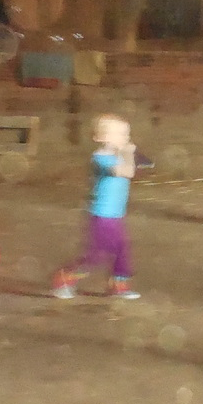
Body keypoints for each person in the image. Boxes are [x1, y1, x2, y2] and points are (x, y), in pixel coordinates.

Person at [51, 114, 139, 300]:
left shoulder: (118, 156)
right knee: (98, 254)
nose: (125, 137)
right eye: (119, 134)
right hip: (102, 215)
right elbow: (126, 172)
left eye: (126, 133)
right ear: (100, 138)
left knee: (122, 250)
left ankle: (119, 286)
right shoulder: (100, 158)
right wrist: (128, 153)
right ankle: (65, 278)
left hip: (116, 215)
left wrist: (125, 154)